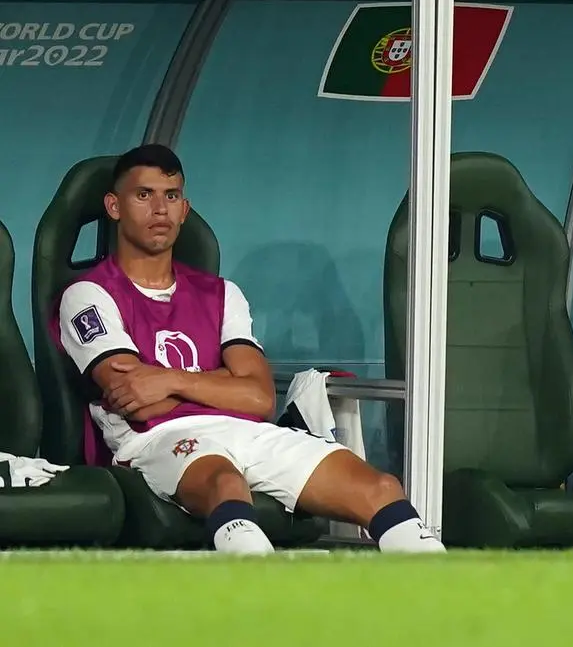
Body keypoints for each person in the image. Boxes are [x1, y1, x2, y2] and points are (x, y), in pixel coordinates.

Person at [55, 144, 444, 555]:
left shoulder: (222, 294)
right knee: (226, 484)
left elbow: (258, 397)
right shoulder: (89, 294)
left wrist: (167, 380)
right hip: (155, 439)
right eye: (143, 195)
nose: (160, 209)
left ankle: (453, 607)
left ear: (184, 209)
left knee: (381, 488)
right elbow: (138, 401)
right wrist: (224, 383)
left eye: (171, 196)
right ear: (114, 206)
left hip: (248, 431)